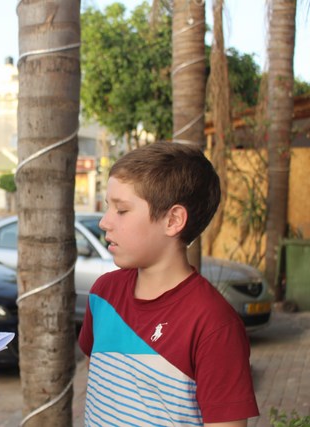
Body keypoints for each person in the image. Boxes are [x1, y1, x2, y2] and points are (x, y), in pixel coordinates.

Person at [78, 142, 259, 426]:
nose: (104, 222)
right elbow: (101, 376)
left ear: (173, 220)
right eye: (106, 207)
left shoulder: (214, 324)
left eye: (121, 210)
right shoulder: (104, 293)